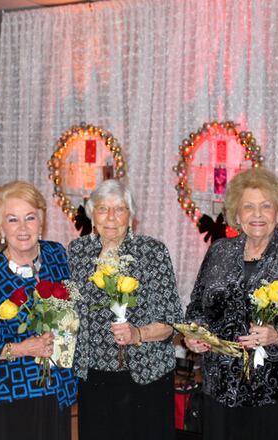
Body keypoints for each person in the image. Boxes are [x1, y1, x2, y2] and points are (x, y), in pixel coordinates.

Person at [184, 167, 278, 440]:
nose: (257, 214)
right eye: (249, 207)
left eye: (266, 206)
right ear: (237, 215)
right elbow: (197, 306)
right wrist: (195, 334)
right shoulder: (219, 251)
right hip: (222, 385)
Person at [68, 179, 183, 440]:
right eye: (102, 209)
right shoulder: (77, 251)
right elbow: (71, 308)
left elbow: (172, 318)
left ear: (130, 216)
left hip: (145, 374)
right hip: (94, 376)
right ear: (92, 215)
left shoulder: (151, 251)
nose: (110, 217)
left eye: (119, 209)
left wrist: (137, 334)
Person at [0, 181, 77, 440]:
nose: (23, 228)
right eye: (13, 220)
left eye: (30, 217)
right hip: (13, 392)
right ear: (0, 228)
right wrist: (24, 348)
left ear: (41, 221)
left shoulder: (57, 254)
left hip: (57, 388)